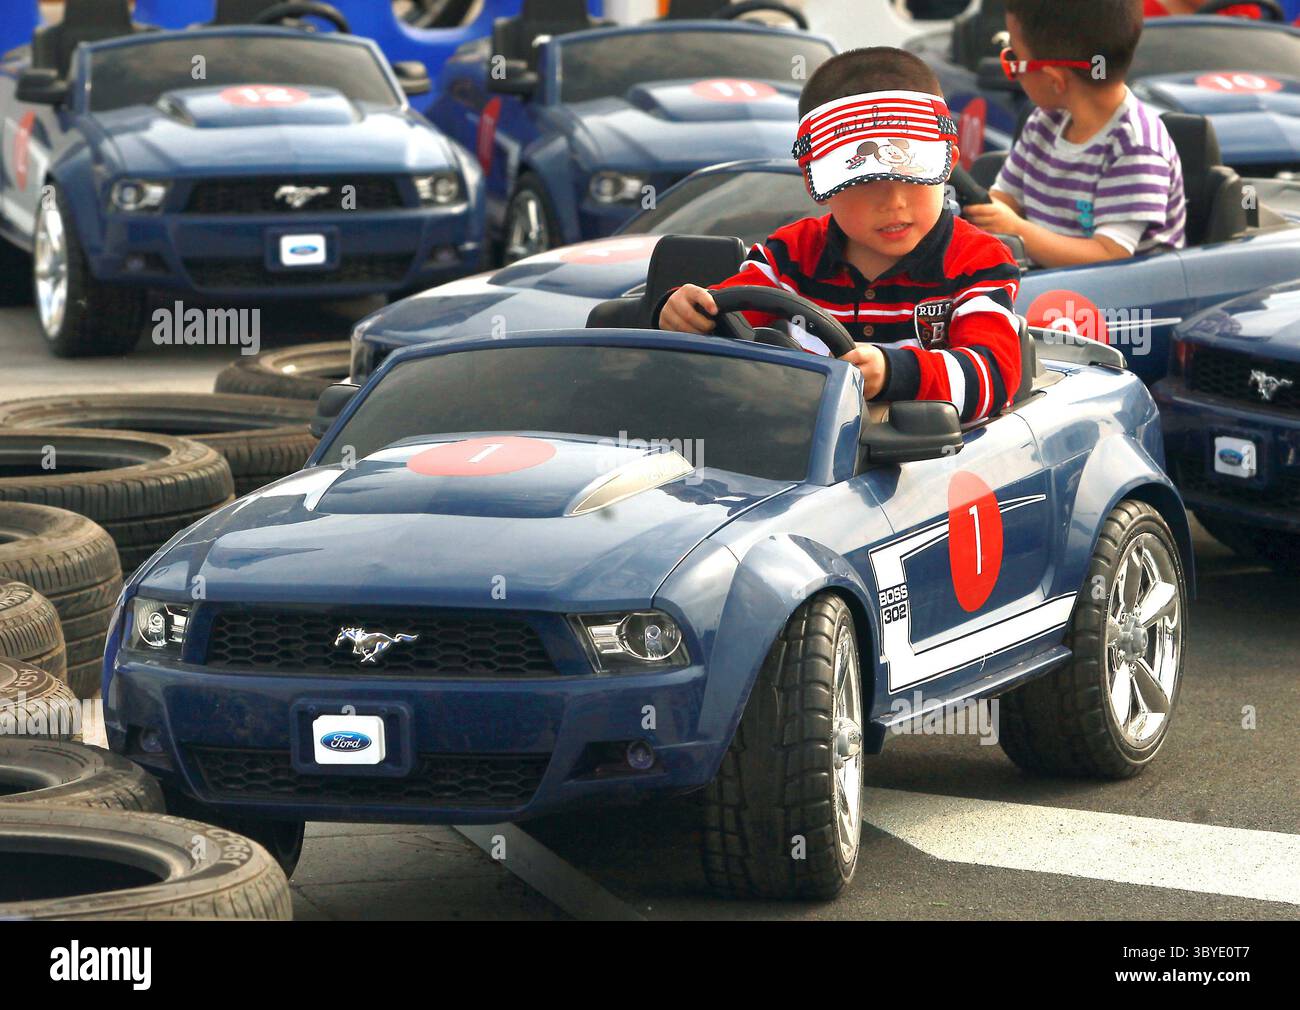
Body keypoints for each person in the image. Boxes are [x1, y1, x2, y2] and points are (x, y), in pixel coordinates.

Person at [658, 48, 1022, 425]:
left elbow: (995, 376)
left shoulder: (978, 261)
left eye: (912, 177)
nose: (894, 202)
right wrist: (683, 312)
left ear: (947, 165)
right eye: (865, 183)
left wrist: (893, 372)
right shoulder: (788, 254)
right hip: (800, 451)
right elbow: (721, 319)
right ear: (820, 183)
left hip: (927, 465)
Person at [964, 0, 1187, 268]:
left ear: (1054, 79)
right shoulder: (1043, 123)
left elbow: (1109, 256)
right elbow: (1004, 201)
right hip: (1050, 287)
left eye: (1015, 60)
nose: (1012, 69)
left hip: (1123, 301)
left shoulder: (1135, 147)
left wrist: (1015, 228)